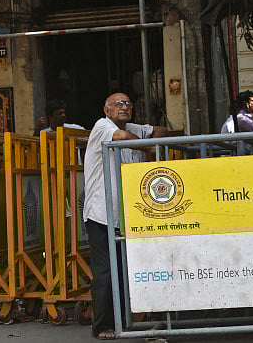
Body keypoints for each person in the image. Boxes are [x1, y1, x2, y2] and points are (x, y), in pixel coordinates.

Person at [83, 92, 168, 340]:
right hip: (101, 213)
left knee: (122, 269)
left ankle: (122, 320)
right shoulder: (103, 126)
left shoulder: (133, 127)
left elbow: (160, 130)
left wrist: (152, 139)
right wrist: (146, 144)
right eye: (118, 104)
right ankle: (102, 326)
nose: (124, 107)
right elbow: (119, 137)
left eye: (128, 104)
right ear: (106, 110)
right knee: (105, 272)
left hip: (125, 215)